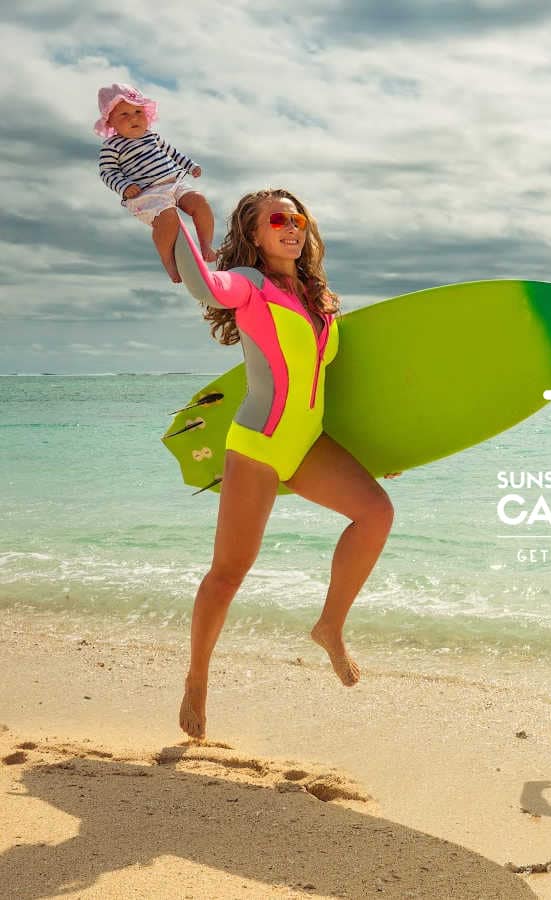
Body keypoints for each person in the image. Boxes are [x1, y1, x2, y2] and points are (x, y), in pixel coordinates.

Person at [173, 189, 394, 739]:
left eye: (297, 218)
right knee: (229, 573)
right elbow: (204, 285)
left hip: (309, 443)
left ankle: (330, 626)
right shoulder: (249, 286)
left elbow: (332, 391)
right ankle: (197, 678)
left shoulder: (320, 300)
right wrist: (174, 220)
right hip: (260, 446)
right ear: (255, 233)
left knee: (376, 514)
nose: (291, 227)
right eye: (277, 219)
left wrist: (391, 447)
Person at [95, 83, 216, 283]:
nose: (133, 118)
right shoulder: (112, 146)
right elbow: (107, 172)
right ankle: (169, 262)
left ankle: (206, 245)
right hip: (147, 194)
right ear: (110, 123)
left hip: (174, 182)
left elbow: (173, 153)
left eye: (137, 111)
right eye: (124, 115)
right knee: (169, 219)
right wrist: (124, 186)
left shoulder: (153, 137)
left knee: (199, 201)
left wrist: (191, 166)